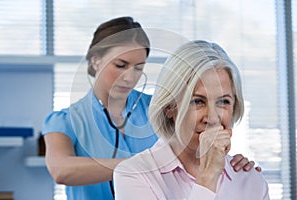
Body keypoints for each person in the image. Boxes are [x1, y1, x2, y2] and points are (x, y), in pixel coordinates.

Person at [42, 17, 260, 200]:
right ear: (95, 60)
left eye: (138, 67)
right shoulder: (65, 120)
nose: (130, 76)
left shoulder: (156, 107)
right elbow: (61, 171)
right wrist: (144, 167)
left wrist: (229, 167)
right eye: (120, 65)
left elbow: (192, 151)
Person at [114, 40, 270, 200]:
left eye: (223, 102)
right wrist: (208, 176)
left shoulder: (250, 180)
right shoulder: (134, 174)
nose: (212, 118)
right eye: (198, 101)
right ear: (169, 107)